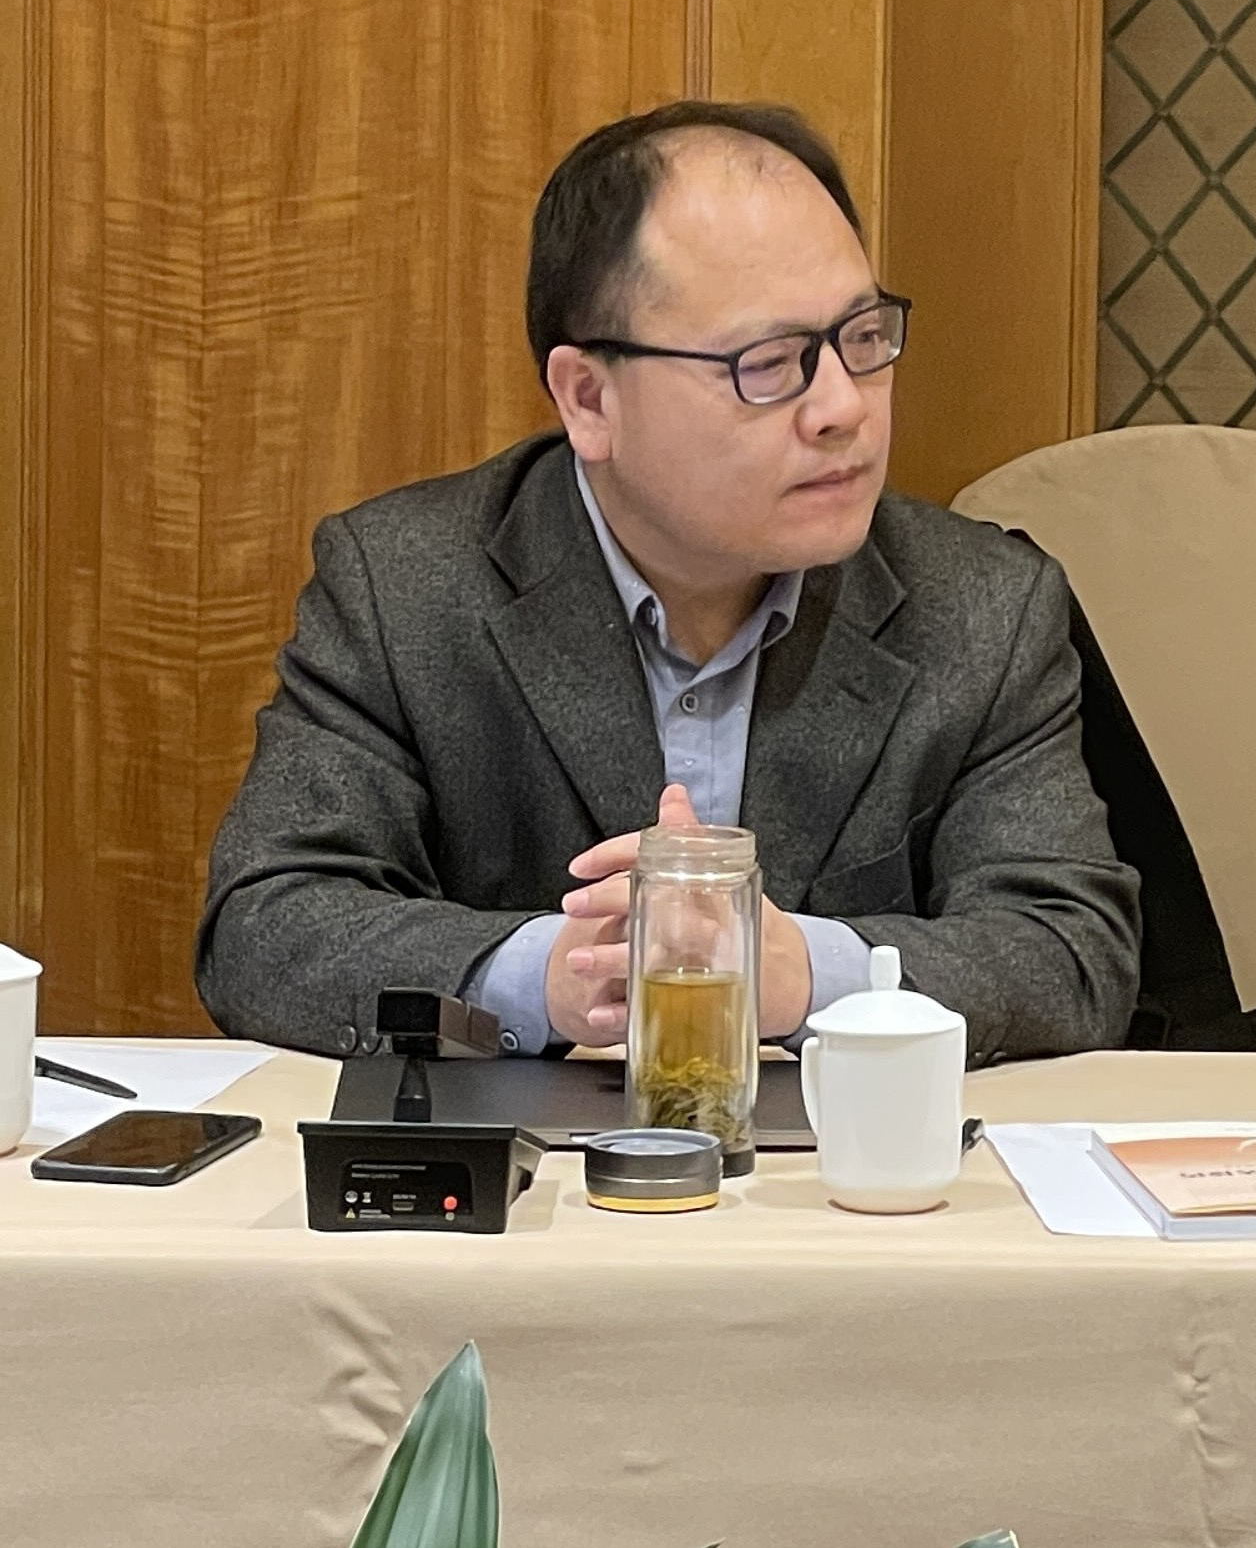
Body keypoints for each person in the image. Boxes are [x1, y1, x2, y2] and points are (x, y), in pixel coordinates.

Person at [196, 100, 1139, 1064]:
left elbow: (1073, 952)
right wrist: (551, 974)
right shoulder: (405, 588)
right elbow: (265, 925)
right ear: (590, 398)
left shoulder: (980, 608)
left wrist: (809, 973)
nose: (843, 407)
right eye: (769, 363)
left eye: (863, 337)